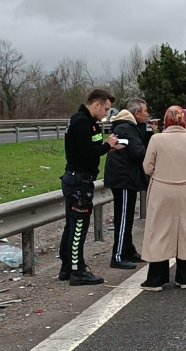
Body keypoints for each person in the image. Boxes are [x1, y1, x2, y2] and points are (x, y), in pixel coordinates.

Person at [140, 106, 186, 291]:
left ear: (166, 120)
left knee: (160, 231)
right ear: (184, 120)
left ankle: (156, 279)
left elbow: (147, 167)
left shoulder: (157, 139)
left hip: (162, 190)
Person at [59, 89, 121, 286]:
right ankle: (77, 271)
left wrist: (106, 146)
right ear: (96, 105)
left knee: (71, 226)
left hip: (78, 179)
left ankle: (67, 268)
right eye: (106, 109)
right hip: (79, 181)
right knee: (78, 228)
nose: (107, 114)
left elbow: (88, 147)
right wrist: (107, 146)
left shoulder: (88, 123)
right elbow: (87, 152)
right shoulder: (82, 122)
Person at [104, 100, 149, 270]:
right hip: (123, 179)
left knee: (128, 216)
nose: (147, 114)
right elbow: (138, 153)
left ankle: (128, 249)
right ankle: (118, 255)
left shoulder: (129, 128)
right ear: (137, 113)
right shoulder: (126, 129)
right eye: (145, 111)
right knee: (123, 218)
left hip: (126, 178)